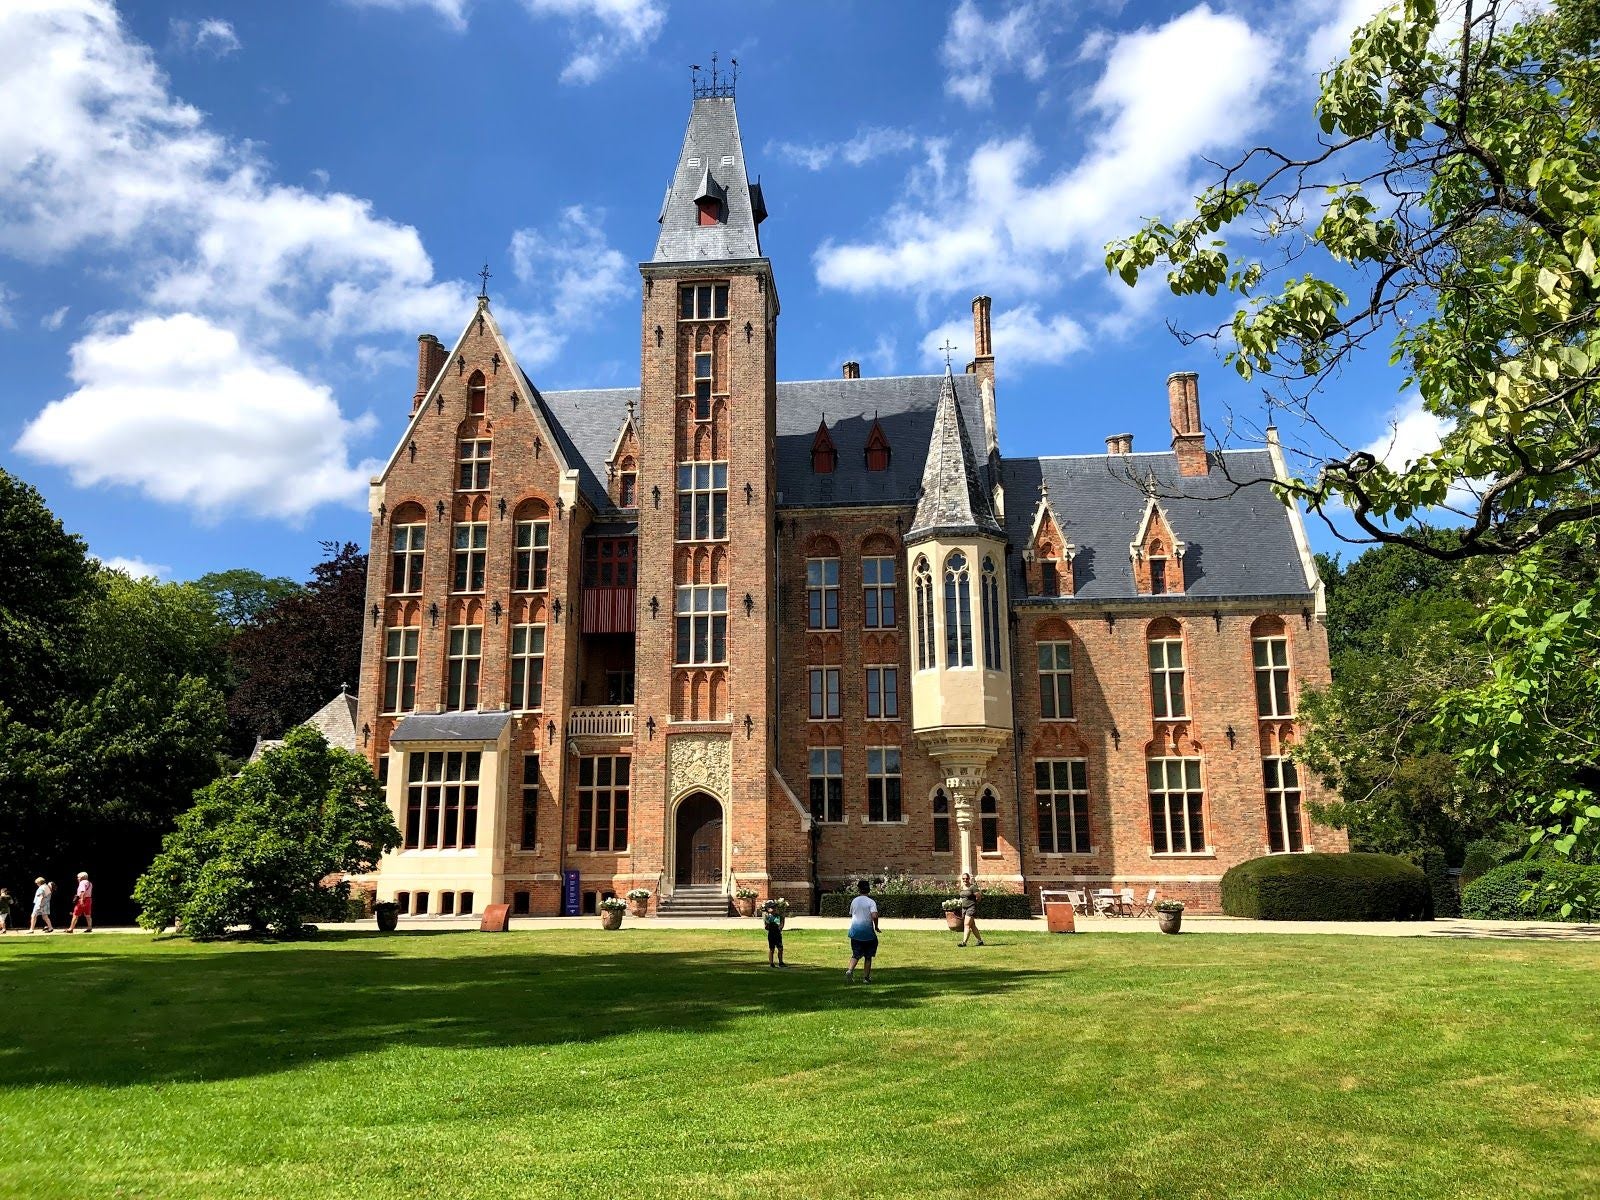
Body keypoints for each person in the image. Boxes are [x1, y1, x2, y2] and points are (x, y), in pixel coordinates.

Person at [845, 878, 880, 983]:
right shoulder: (871, 902)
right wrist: (876, 926)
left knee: (856, 954)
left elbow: (852, 913)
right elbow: (874, 915)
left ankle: (850, 970)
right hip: (868, 933)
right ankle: (866, 978)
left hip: (855, 932)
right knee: (868, 956)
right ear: (868, 889)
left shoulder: (854, 901)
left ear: (859, 889)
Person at [956, 871, 986, 947]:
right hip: (964, 908)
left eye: (966, 878)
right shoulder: (962, 887)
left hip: (971, 908)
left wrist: (974, 903)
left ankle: (964, 942)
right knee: (972, 926)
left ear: (969, 879)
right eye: (963, 879)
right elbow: (961, 897)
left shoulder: (972, 887)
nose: (965, 880)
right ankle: (980, 941)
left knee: (966, 924)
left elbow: (978, 896)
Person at [761, 899, 787, 968]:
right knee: (771, 949)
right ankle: (771, 963)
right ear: (768, 909)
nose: (774, 909)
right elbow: (766, 927)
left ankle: (781, 962)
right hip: (771, 934)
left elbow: (782, 924)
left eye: (775, 907)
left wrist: (780, 927)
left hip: (778, 934)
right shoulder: (768, 917)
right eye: (772, 907)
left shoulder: (778, 916)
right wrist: (768, 925)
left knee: (780, 948)